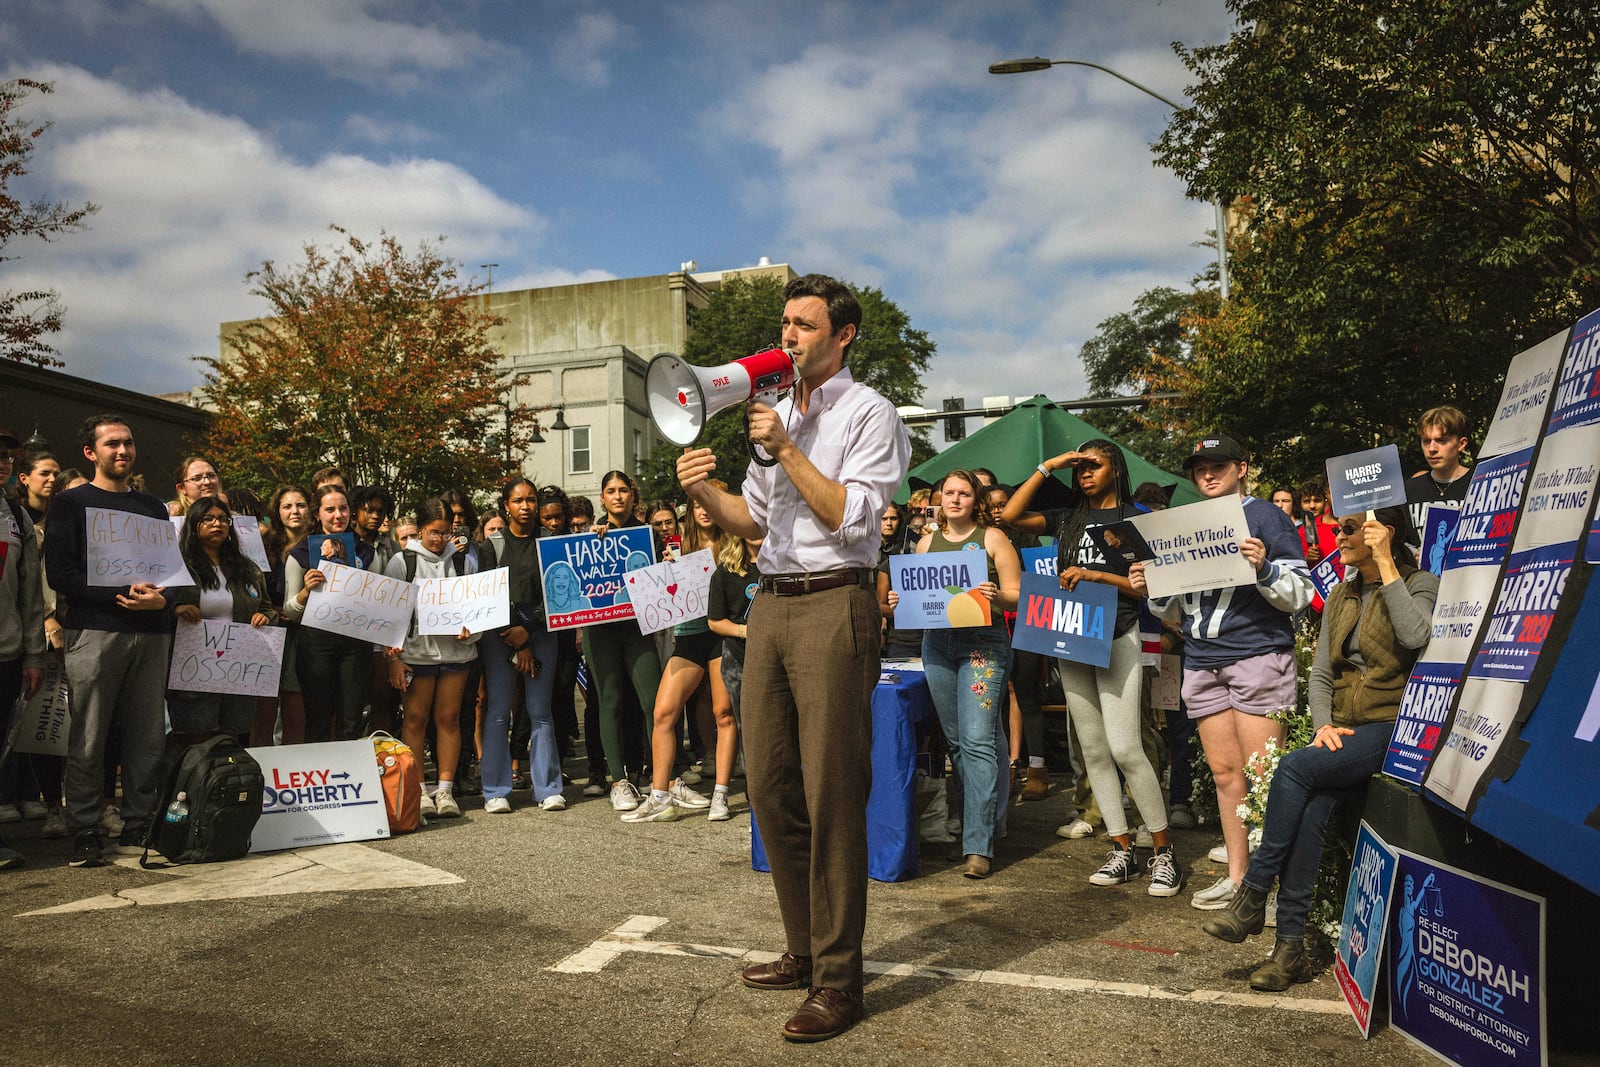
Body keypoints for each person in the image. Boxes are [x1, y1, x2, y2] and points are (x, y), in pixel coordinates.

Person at [677, 273, 910, 1042]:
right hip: (770, 602)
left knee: (832, 786)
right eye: (785, 324)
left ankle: (840, 979)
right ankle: (804, 949)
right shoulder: (771, 416)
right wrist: (705, 493)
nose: (789, 337)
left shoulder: (869, 411)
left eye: (804, 325)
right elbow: (752, 521)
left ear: (842, 334)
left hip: (836, 599)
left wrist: (786, 447)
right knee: (769, 781)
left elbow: (852, 513)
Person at [1202, 506, 1437, 991]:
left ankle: (1253, 891)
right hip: (1344, 732)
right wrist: (1323, 726)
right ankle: (1288, 950)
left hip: (1393, 727)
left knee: (1293, 768)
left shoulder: (1420, 584)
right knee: (1310, 810)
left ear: (1382, 533)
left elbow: (1417, 637)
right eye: (1339, 528)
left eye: (1349, 529)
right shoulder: (1340, 593)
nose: (1338, 536)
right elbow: (1324, 676)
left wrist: (1388, 566)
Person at [1002, 442, 1181, 896]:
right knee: (1094, 750)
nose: (1083, 473)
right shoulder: (1066, 517)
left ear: (1115, 468)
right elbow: (1010, 516)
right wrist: (1050, 465)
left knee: (1126, 748)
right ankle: (1121, 848)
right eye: (1078, 467)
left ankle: (1163, 852)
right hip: (1071, 634)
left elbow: (1151, 590)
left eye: (1092, 465)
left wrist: (1098, 575)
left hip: (1118, 633)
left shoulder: (1134, 518)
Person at [1143, 436, 1313, 911]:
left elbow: (1300, 592)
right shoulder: (1182, 525)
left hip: (1258, 654)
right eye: (1199, 469)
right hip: (1200, 659)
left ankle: (1274, 890)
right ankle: (1240, 880)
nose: (1207, 476)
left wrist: (1262, 568)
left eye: (1218, 466)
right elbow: (1166, 605)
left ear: (1242, 467)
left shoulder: (1266, 516)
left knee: (1266, 778)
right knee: (1224, 774)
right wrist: (1148, 583)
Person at [43, 415, 175, 868]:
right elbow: (59, 575)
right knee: (90, 735)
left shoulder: (153, 508)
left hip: (152, 633)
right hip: (95, 632)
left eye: (129, 443)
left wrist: (162, 601)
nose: (123, 451)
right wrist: (123, 597)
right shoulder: (70, 504)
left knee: (147, 736)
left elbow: (173, 575)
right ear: (90, 453)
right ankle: (84, 826)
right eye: (112, 444)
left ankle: (139, 822)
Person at [887, 469, 1019, 879]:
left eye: (964, 493)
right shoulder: (926, 543)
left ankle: (979, 846)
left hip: (983, 645)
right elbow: (912, 595)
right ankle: (969, 830)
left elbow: (1019, 592)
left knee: (979, 741)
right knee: (958, 743)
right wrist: (897, 598)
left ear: (974, 499)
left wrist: (997, 597)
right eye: (949, 493)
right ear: (939, 498)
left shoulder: (993, 539)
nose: (955, 499)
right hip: (937, 646)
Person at [624, 494, 734, 823]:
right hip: (689, 636)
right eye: (698, 504)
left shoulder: (734, 543)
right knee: (663, 713)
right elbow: (633, 552)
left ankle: (721, 794)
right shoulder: (677, 543)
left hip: (723, 635)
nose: (704, 510)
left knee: (724, 713)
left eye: (708, 503)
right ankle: (660, 797)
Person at [384, 499, 483, 818]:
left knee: (449, 718)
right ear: (420, 530)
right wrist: (393, 659)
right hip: (417, 654)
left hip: (456, 653)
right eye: (432, 533)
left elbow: (477, 608)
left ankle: (445, 790)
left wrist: (472, 630)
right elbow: (390, 614)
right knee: (414, 720)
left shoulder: (463, 561)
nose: (438, 540)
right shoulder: (403, 562)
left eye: (444, 533)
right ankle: (417, 788)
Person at [477, 478, 564, 815]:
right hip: (499, 636)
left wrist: (526, 636)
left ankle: (548, 788)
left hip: (541, 634)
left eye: (531, 500)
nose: (526, 507)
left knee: (540, 712)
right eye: (518, 501)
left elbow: (557, 594)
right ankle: (495, 791)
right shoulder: (491, 546)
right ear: (506, 506)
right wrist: (513, 637)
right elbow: (486, 596)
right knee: (498, 712)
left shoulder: (551, 541)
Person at [581, 471, 665, 811]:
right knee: (609, 701)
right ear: (602, 498)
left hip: (637, 627)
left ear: (634, 496)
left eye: (624, 491)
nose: (618, 496)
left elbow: (662, 575)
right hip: (600, 629)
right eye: (611, 491)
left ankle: (661, 776)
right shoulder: (590, 536)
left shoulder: (648, 535)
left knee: (653, 701)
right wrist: (588, 540)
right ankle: (619, 780)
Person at [168, 497, 277, 752]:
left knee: (233, 733)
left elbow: (267, 608)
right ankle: (191, 788)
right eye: (208, 519)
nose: (217, 524)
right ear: (194, 525)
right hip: (194, 666)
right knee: (195, 736)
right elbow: (158, 605)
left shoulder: (247, 568)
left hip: (237, 667)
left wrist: (264, 617)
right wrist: (176, 609)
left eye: (222, 519)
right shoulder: (179, 566)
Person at [281, 484, 378, 743]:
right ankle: (322, 781)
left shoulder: (367, 552)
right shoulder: (300, 554)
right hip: (315, 644)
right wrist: (305, 592)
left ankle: (352, 780)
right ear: (317, 514)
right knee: (318, 720)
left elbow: (382, 602)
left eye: (343, 508)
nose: (338, 515)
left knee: (351, 721)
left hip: (355, 643)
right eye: (330, 509)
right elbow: (289, 610)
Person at [0, 430, 46, 869]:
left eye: (6, 456)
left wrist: (34, 654)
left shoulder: (15, 515)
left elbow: (32, 595)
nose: (2, 462)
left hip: (7, 654)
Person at [256, 485, 312, 746]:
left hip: (304, 634)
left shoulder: (321, 543)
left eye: (300, 505)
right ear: (277, 511)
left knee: (295, 707)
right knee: (263, 709)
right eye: (287, 506)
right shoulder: (265, 541)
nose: (295, 511)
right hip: (266, 630)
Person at [1404, 405, 1473, 543]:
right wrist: (1413, 554)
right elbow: (1400, 542)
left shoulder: (1479, 484)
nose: (1432, 448)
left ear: (1461, 444)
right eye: (1426, 441)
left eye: (1441, 441)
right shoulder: (1410, 490)